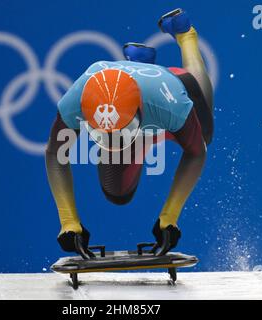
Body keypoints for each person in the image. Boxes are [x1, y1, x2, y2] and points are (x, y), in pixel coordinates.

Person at [46, 8, 214, 258]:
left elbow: (196, 154)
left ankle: (185, 33)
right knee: (118, 193)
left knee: (205, 133)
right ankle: (139, 63)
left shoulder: (171, 105)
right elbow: (55, 155)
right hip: (142, 105)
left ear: (139, 113)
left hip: (168, 87)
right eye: (103, 136)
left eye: (122, 133)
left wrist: (169, 217)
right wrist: (68, 222)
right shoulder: (75, 102)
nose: (114, 144)